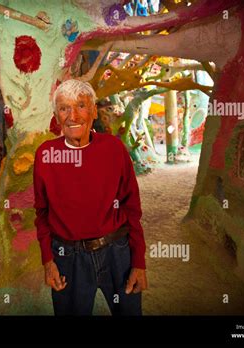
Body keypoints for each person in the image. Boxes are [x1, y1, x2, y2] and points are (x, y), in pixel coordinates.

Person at [33, 79, 148, 315]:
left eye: (81, 105)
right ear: (56, 117)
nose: (73, 115)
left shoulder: (114, 149)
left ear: (94, 111)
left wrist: (138, 262)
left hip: (116, 251)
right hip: (68, 257)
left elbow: (132, 210)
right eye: (64, 108)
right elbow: (42, 213)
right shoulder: (46, 155)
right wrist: (48, 260)